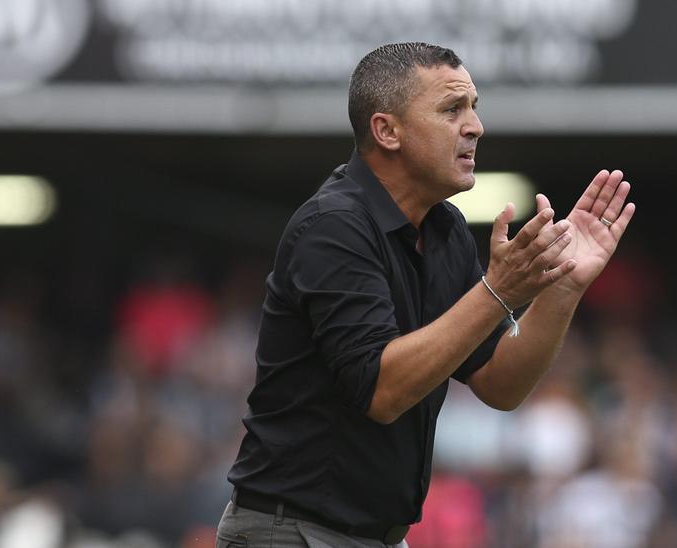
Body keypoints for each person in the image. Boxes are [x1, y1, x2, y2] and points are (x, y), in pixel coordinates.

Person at [217, 42, 636, 548]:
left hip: (378, 538)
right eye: (452, 108)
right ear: (386, 130)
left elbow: (501, 385)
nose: (475, 126)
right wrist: (497, 290)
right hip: (290, 533)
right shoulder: (333, 227)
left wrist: (563, 286)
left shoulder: (444, 228)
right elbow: (382, 391)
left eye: (474, 108)